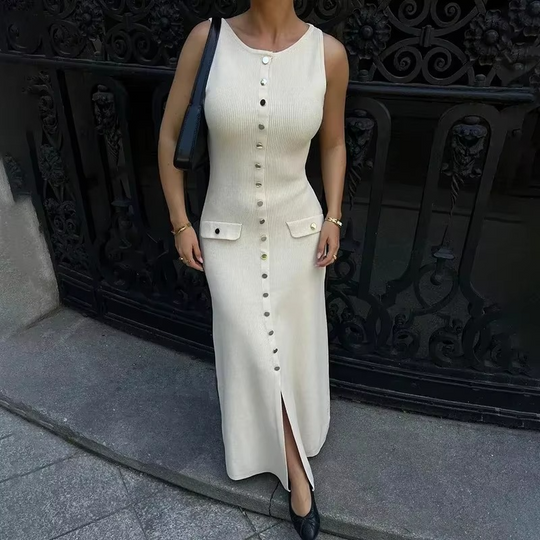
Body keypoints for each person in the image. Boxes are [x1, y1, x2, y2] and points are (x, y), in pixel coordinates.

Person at [158, 2, 348, 538]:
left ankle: (293, 446)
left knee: (289, 345)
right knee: (252, 347)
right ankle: (297, 477)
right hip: (226, 234)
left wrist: (333, 216)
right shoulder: (207, 39)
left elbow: (334, 142)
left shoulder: (328, 54)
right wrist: (179, 222)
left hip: (299, 232)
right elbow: (169, 135)